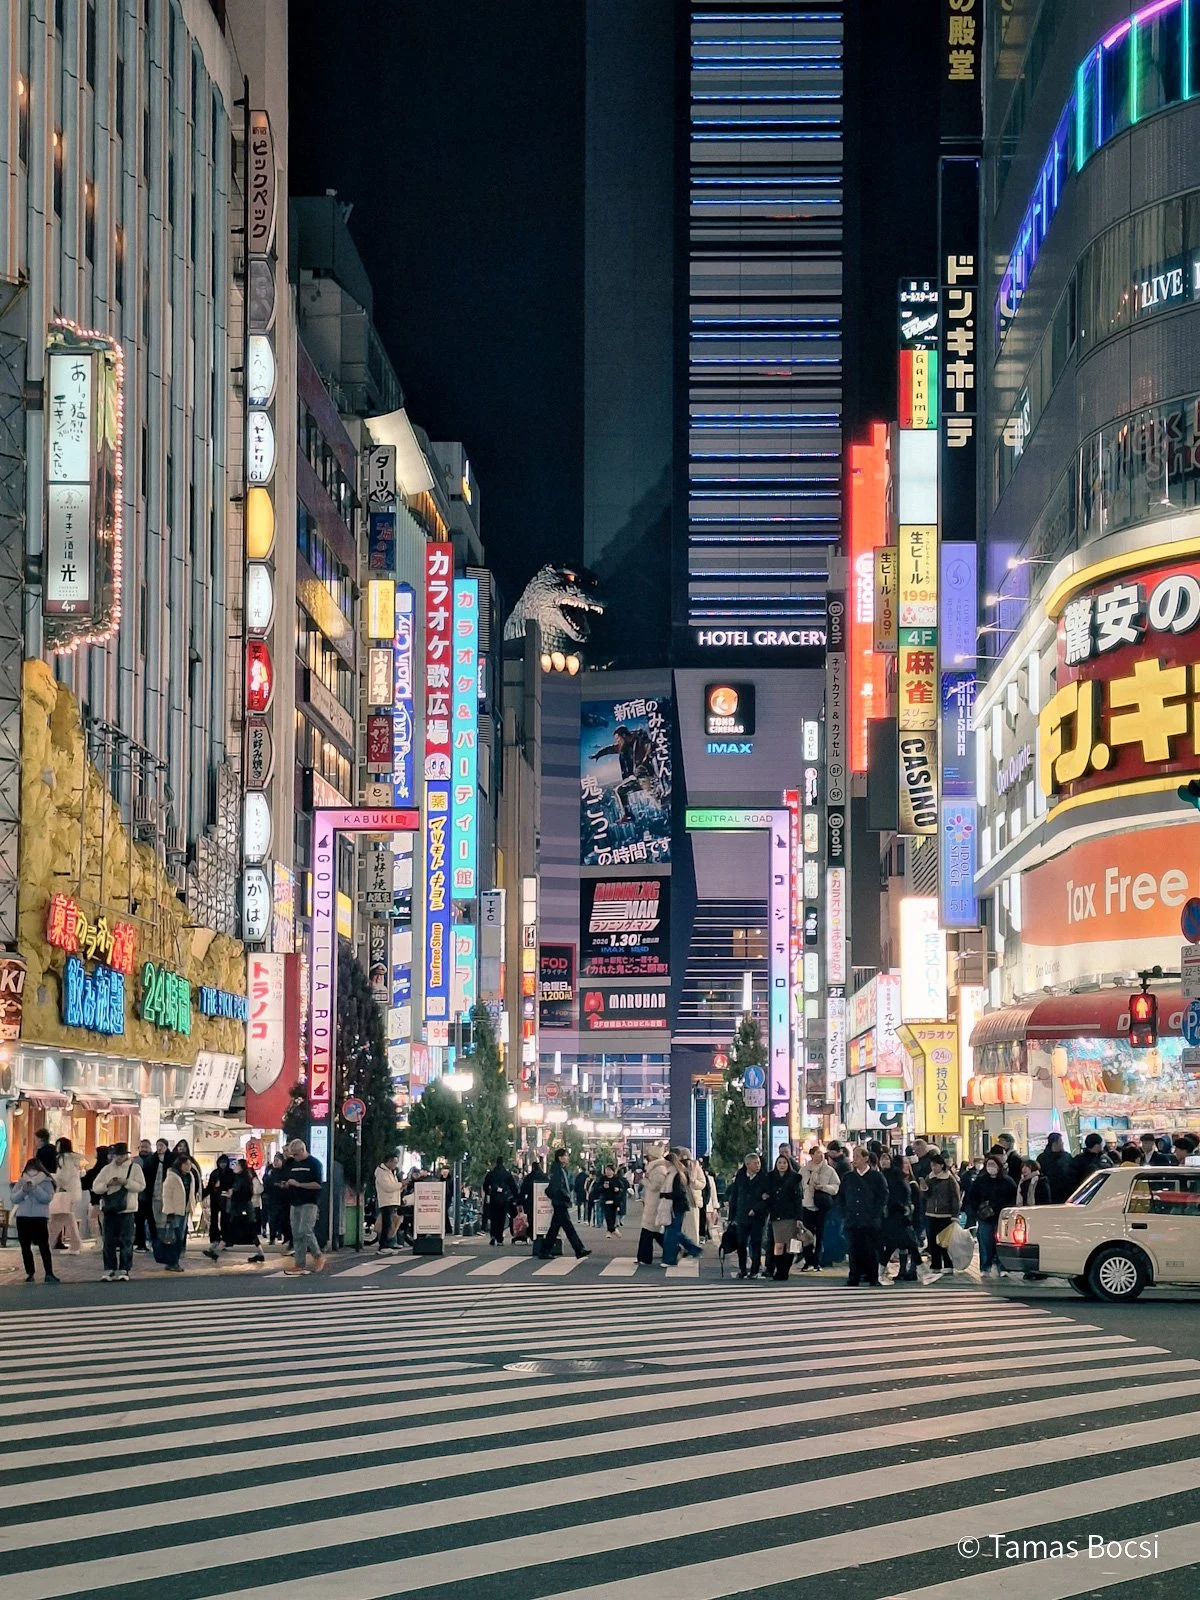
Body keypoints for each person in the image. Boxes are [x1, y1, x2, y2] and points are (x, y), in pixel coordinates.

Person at [91, 1142, 146, 1281]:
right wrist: (107, 1184)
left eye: (120, 1155)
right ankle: (109, 1269)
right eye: (116, 1155)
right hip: (109, 1209)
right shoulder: (107, 1169)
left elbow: (141, 1186)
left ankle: (124, 1269)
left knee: (126, 1241)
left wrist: (125, 1182)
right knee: (108, 1240)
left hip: (127, 1209)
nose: (118, 1158)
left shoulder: (135, 1168)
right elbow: (96, 1186)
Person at [841, 1147, 888, 1287]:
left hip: (870, 1220)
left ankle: (873, 1277)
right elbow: (841, 1197)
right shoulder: (848, 1177)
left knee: (871, 1249)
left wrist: (876, 1213)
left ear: (866, 1158)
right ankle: (853, 1277)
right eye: (853, 1156)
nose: (854, 1159)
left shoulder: (876, 1177)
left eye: (857, 1156)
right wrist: (845, 1212)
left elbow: (883, 1196)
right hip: (852, 1219)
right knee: (853, 1249)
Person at [204, 1159, 265, 1263]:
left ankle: (215, 1253)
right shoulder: (239, 1178)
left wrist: (232, 1195)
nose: (234, 1167)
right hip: (239, 1210)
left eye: (237, 1165)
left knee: (236, 1231)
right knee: (234, 1232)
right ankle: (216, 1253)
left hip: (242, 1211)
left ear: (241, 1167)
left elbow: (246, 1195)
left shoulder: (245, 1180)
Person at [535, 1148, 590, 1260]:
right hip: (560, 1202)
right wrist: (564, 1196)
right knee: (568, 1227)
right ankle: (579, 1249)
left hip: (559, 1201)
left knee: (555, 1228)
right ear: (560, 1158)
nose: (567, 1158)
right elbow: (556, 1187)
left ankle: (545, 1251)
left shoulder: (560, 1169)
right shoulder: (557, 1169)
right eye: (565, 1156)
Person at [282, 1138, 326, 1275]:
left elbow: (318, 1185)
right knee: (296, 1233)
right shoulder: (291, 1163)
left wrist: (299, 1184)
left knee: (305, 1230)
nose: (295, 1157)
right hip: (294, 1201)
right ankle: (299, 1263)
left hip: (309, 1201)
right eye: (292, 1155)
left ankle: (318, 1256)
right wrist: (286, 1184)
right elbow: (284, 1177)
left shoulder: (314, 1163)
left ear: (303, 1150)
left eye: (296, 1154)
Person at [12, 1159, 58, 1283]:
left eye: (34, 1170)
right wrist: (24, 1190)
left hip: (39, 1217)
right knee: (25, 1247)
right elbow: (14, 1198)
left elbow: (46, 1198)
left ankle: (49, 1272)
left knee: (44, 1246)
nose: (31, 1172)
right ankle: (30, 1272)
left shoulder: (47, 1182)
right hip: (23, 1217)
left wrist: (35, 1188)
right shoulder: (22, 1180)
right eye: (29, 1169)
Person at [726, 1152, 770, 1279]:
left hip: (758, 1216)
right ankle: (743, 1269)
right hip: (741, 1214)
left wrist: (756, 1209)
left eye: (759, 1163)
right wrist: (731, 1217)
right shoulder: (740, 1176)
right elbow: (734, 1196)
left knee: (756, 1242)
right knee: (741, 1243)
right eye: (755, 1163)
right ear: (747, 1164)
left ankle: (755, 1270)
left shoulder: (764, 1177)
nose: (758, 1166)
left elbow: (767, 1197)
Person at [972, 1154, 1017, 1276]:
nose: (991, 1167)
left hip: (1002, 1216)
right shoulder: (981, 1181)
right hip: (985, 1216)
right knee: (985, 1241)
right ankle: (985, 1266)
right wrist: (978, 1209)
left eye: (993, 1165)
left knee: (1001, 1241)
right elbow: (973, 1196)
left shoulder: (1007, 1181)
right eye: (988, 1165)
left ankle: (1002, 1267)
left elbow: (1013, 1197)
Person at [799, 1144, 840, 1271]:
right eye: (817, 1153)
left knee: (820, 1235)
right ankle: (808, 1260)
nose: (820, 1155)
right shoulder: (804, 1170)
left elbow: (836, 1186)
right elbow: (798, 1187)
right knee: (806, 1235)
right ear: (811, 1155)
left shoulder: (829, 1170)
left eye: (821, 1153)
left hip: (822, 1207)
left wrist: (824, 1187)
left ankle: (817, 1261)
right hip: (807, 1205)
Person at [880, 1152, 920, 1281]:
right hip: (899, 1217)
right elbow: (895, 1198)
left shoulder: (901, 1179)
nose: (907, 1166)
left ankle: (882, 1271)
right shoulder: (896, 1179)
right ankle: (921, 1272)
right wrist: (905, 1208)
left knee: (904, 1245)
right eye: (905, 1163)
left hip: (900, 1217)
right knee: (910, 1244)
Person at [764, 1150, 803, 1280]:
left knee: (791, 1244)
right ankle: (778, 1269)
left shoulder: (794, 1177)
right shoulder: (770, 1177)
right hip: (776, 1215)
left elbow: (798, 1199)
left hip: (790, 1215)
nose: (781, 1165)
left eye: (784, 1163)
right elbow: (767, 1193)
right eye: (779, 1162)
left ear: (788, 1164)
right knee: (778, 1244)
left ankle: (785, 1270)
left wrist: (799, 1217)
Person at [920, 1152, 962, 1274]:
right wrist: (924, 1188)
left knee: (944, 1241)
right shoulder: (930, 1177)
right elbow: (926, 1196)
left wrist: (955, 1215)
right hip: (931, 1213)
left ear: (942, 1165)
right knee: (932, 1241)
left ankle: (948, 1264)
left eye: (936, 1165)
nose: (934, 1168)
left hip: (946, 1215)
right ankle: (935, 1265)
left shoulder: (949, 1179)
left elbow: (955, 1198)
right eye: (932, 1165)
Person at [660, 1150, 703, 1267]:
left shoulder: (675, 1175)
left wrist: (665, 1196)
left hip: (675, 1206)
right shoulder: (675, 1173)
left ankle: (670, 1258)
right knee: (673, 1232)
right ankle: (692, 1250)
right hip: (675, 1206)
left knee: (672, 1233)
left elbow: (678, 1193)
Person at [158, 1151, 195, 1271]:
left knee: (179, 1237)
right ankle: (172, 1262)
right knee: (173, 1238)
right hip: (174, 1211)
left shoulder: (190, 1176)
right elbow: (166, 1195)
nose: (188, 1166)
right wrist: (169, 1212)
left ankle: (175, 1261)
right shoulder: (172, 1177)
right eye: (186, 1164)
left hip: (184, 1210)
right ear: (180, 1164)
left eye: (189, 1164)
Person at [637, 1144, 672, 1266]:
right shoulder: (656, 1168)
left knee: (649, 1231)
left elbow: (655, 1186)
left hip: (655, 1203)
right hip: (652, 1203)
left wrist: (645, 1180)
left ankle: (645, 1257)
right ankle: (644, 1257)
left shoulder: (659, 1170)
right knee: (652, 1232)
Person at [48, 1136, 84, 1253]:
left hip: (65, 1192)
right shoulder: (71, 1159)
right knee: (63, 1218)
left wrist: (51, 1176)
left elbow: (64, 1177)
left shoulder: (64, 1159)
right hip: (70, 1192)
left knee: (60, 1218)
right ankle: (73, 1245)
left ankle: (74, 1245)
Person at [203, 1154, 235, 1248]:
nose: (223, 1164)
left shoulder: (230, 1173)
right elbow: (210, 1187)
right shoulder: (215, 1173)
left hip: (226, 1198)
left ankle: (226, 1239)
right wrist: (203, 1194)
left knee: (226, 1220)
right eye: (221, 1162)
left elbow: (233, 1185)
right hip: (215, 1198)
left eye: (224, 1162)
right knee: (214, 1219)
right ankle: (214, 1238)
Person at [482, 1156, 516, 1247]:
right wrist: (514, 1198)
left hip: (493, 1199)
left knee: (493, 1218)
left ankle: (493, 1236)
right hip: (503, 1199)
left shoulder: (491, 1174)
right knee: (501, 1219)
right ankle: (499, 1238)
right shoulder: (507, 1174)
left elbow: (485, 1185)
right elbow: (513, 1187)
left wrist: (488, 1193)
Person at [375, 1153, 404, 1250]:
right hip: (386, 1201)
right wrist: (400, 1185)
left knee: (391, 1224)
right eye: (394, 1162)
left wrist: (401, 1187)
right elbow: (388, 1187)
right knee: (386, 1224)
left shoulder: (391, 1172)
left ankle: (390, 1243)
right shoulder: (381, 1172)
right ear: (389, 1161)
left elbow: (394, 1187)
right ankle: (383, 1245)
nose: (395, 1165)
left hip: (393, 1201)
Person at [1035, 1131, 1074, 1202]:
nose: (1062, 1143)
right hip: (1049, 1192)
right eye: (1060, 1141)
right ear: (1054, 1143)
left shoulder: (1067, 1156)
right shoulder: (1042, 1158)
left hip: (1065, 1192)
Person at [263, 1152, 291, 1244]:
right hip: (272, 1199)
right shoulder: (270, 1170)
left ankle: (286, 1237)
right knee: (272, 1219)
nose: (275, 1162)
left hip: (284, 1199)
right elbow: (266, 1182)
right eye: (274, 1160)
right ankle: (272, 1238)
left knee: (284, 1220)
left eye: (277, 1160)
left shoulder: (286, 1171)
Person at [598, 1164, 623, 1235]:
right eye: (606, 1170)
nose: (607, 1171)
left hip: (615, 1200)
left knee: (613, 1216)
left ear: (613, 1171)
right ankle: (613, 1229)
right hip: (605, 1200)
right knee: (607, 1216)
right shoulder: (602, 1179)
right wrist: (603, 1187)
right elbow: (597, 1188)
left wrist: (618, 1189)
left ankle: (610, 1231)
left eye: (609, 1170)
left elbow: (622, 1188)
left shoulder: (616, 1179)